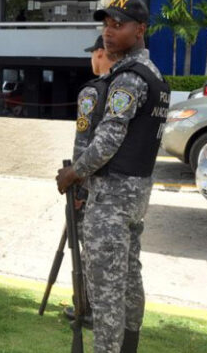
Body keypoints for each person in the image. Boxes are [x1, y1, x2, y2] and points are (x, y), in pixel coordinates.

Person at [56, 0, 170, 353]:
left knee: (105, 287)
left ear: (140, 30)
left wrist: (74, 174)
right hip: (135, 192)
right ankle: (129, 346)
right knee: (129, 277)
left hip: (112, 196)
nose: (108, 32)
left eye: (118, 25)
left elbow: (107, 140)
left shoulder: (127, 80)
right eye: (106, 24)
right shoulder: (153, 75)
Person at [62, 35, 117, 324]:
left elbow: (83, 142)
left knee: (88, 251)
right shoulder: (128, 86)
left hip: (90, 184)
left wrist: (77, 184)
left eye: (92, 54)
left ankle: (87, 308)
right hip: (120, 188)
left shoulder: (93, 91)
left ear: (100, 53)